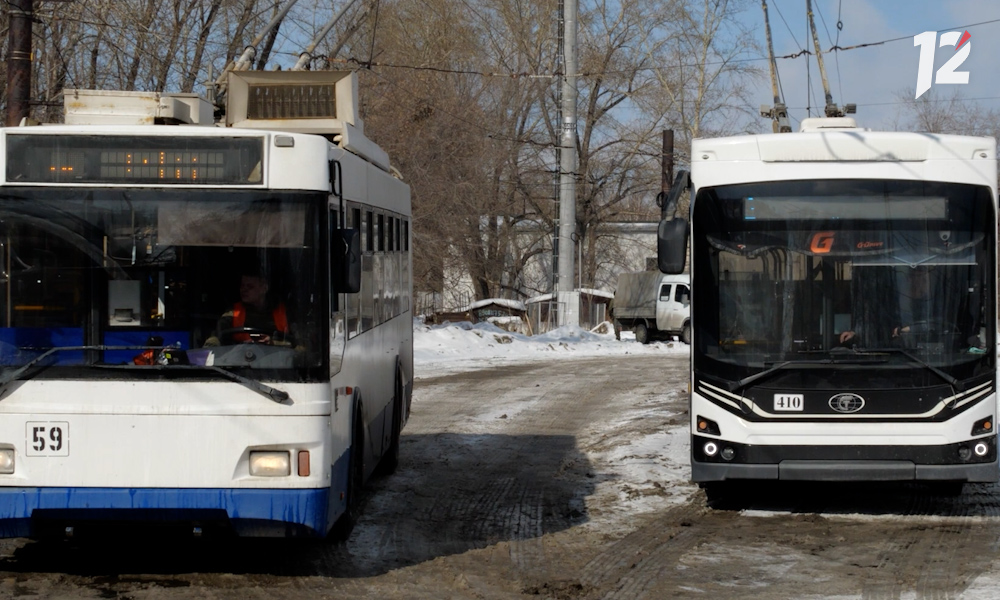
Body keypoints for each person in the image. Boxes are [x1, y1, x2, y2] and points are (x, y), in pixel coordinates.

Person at [204, 272, 291, 346]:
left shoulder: (283, 312)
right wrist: (210, 345)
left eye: (250, 286)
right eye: (242, 286)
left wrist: (273, 343)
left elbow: (297, 344)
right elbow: (217, 334)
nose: (244, 290)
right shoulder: (234, 312)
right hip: (240, 357)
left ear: (264, 288)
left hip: (277, 358)